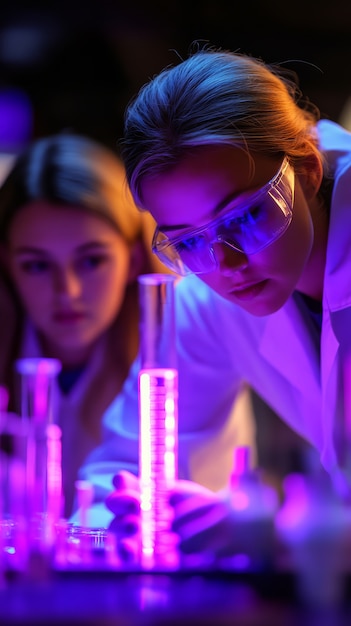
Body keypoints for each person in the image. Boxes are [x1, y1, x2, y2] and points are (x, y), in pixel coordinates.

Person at [80, 44, 351, 559]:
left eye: (245, 218)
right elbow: (121, 469)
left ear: (309, 169)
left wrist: (266, 529)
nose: (224, 266)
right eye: (187, 241)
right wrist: (131, 515)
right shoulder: (207, 293)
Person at [0, 132, 178, 519]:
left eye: (91, 260)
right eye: (37, 265)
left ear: (132, 259)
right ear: (7, 265)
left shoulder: (182, 354)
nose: (68, 291)